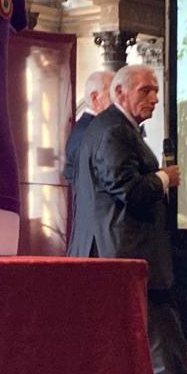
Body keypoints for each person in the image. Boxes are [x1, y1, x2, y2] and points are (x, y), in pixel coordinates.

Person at [69, 64, 187, 374]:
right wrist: (164, 178)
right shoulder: (114, 131)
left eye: (156, 91)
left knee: (130, 339)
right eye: (145, 90)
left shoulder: (107, 128)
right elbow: (127, 190)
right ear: (119, 93)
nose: (154, 98)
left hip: (116, 252)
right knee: (161, 335)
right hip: (129, 254)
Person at [63, 69, 114, 251]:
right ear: (95, 97)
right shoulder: (89, 133)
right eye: (113, 93)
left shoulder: (90, 129)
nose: (120, 99)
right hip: (95, 239)